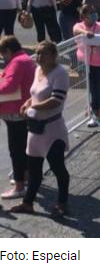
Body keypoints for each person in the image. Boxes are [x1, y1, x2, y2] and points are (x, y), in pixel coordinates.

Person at [10, 41, 70, 218]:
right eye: (37, 53)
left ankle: (62, 202)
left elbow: (56, 100)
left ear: (53, 55)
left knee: (58, 167)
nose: (39, 57)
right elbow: (35, 94)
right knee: (34, 168)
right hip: (35, 130)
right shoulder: (38, 70)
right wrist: (27, 103)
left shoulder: (60, 73)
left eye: (43, 53)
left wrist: (32, 109)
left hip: (52, 130)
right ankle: (28, 203)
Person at [0, 36, 36, 200]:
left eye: (3, 55)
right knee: (23, 147)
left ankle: (19, 185)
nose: (3, 58)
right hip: (24, 109)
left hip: (15, 111)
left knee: (16, 150)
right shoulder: (26, 59)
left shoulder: (16, 62)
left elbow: (9, 86)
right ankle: (26, 176)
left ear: (8, 51)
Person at [74, 4, 100, 129]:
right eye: (90, 12)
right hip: (87, 64)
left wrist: (96, 40)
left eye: (94, 11)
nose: (94, 14)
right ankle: (94, 116)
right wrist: (86, 32)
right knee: (92, 91)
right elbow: (76, 31)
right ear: (83, 16)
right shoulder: (78, 26)